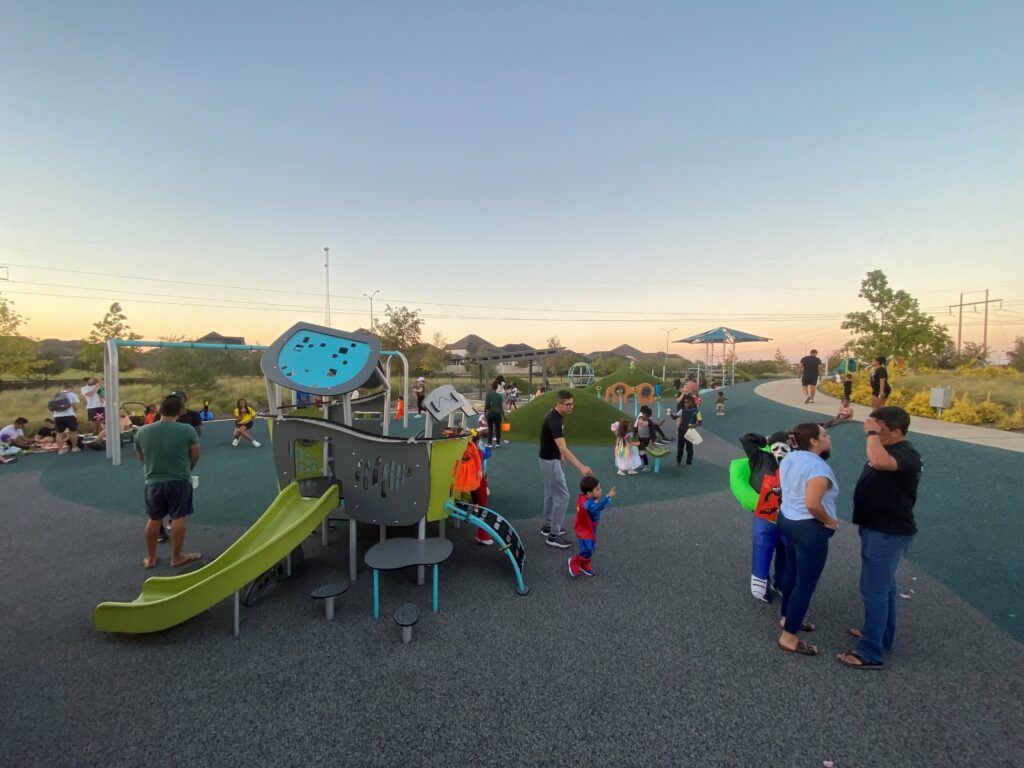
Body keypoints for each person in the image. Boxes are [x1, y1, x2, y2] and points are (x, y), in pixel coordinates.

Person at [837, 407, 923, 670]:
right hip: (876, 527)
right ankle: (881, 636)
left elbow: (879, 462)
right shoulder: (887, 448)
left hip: (888, 532)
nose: (871, 433)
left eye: (879, 429)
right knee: (884, 587)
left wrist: (872, 433)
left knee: (874, 589)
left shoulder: (906, 454)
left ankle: (869, 653)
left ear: (896, 431)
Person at [777, 423, 839, 655]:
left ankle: (788, 617)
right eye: (824, 434)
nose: (828, 437)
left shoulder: (790, 458)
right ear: (813, 441)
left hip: (787, 519)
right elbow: (813, 504)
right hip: (808, 528)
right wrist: (830, 521)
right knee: (806, 583)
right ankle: (789, 636)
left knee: (792, 572)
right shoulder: (816, 467)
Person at [134, 395, 202, 569]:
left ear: (161, 410)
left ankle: (150, 558)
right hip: (179, 479)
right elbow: (195, 454)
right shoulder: (187, 430)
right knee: (179, 516)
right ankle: (176, 557)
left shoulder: (143, 431)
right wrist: (188, 469)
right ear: (180, 411)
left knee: (154, 518)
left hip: (153, 481)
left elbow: (141, 457)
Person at [736, 431, 792, 602]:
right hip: (765, 512)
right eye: (776, 447)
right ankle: (760, 586)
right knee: (762, 545)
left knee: (787, 549)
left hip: (788, 513)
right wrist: (764, 440)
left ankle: (781, 583)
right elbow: (746, 439)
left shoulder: (794, 460)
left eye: (785, 447)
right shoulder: (759, 457)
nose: (780, 451)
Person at [538, 390, 593, 549]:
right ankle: (553, 536)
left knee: (550, 494)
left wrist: (558, 454)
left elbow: (551, 440)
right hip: (549, 462)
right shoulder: (554, 420)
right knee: (562, 496)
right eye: (567, 405)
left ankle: (547, 526)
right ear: (559, 403)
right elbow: (564, 447)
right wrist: (580, 466)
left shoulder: (555, 416)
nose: (571, 407)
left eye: (572, 404)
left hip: (548, 459)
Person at [568, 475, 616, 578]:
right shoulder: (588, 505)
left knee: (591, 548)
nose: (600, 490)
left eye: (599, 487)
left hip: (591, 527)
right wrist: (608, 497)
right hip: (584, 530)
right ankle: (574, 561)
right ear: (589, 494)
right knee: (587, 549)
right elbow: (597, 507)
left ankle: (584, 563)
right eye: (597, 489)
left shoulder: (590, 499)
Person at [49, 383, 81, 455]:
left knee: (59, 433)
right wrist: (73, 411)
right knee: (73, 431)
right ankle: (74, 448)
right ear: (71, 388)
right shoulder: (73, 395)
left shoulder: (56, 395)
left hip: (57, 416)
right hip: (69, 415)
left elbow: (52, 407)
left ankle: (60, 450)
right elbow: (75, 406)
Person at [671, 394, 699, 468]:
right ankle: (678, 462)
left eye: (688, 402)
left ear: (693, 403)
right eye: (685, 402)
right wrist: (670, 413)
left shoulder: (696, 412)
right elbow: (674, 417)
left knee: (689, 448)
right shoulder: (682, 410)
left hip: (690, 432)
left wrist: (694, 425)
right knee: (680, 447)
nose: (686, 404)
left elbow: (700, 422)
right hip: (681, 430)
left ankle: (689, 463)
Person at [484, 379, 505, 448]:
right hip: (498, 414)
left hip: (490, 414)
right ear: (497, 387)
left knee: (490, 429)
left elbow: (486, 406)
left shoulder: (488, 395)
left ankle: (490, 444)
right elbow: (501, 407)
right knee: (497, 429)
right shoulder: (499, 396)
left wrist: (485, 415)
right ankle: (497, 443)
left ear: (491, 387)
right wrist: (504, 415)